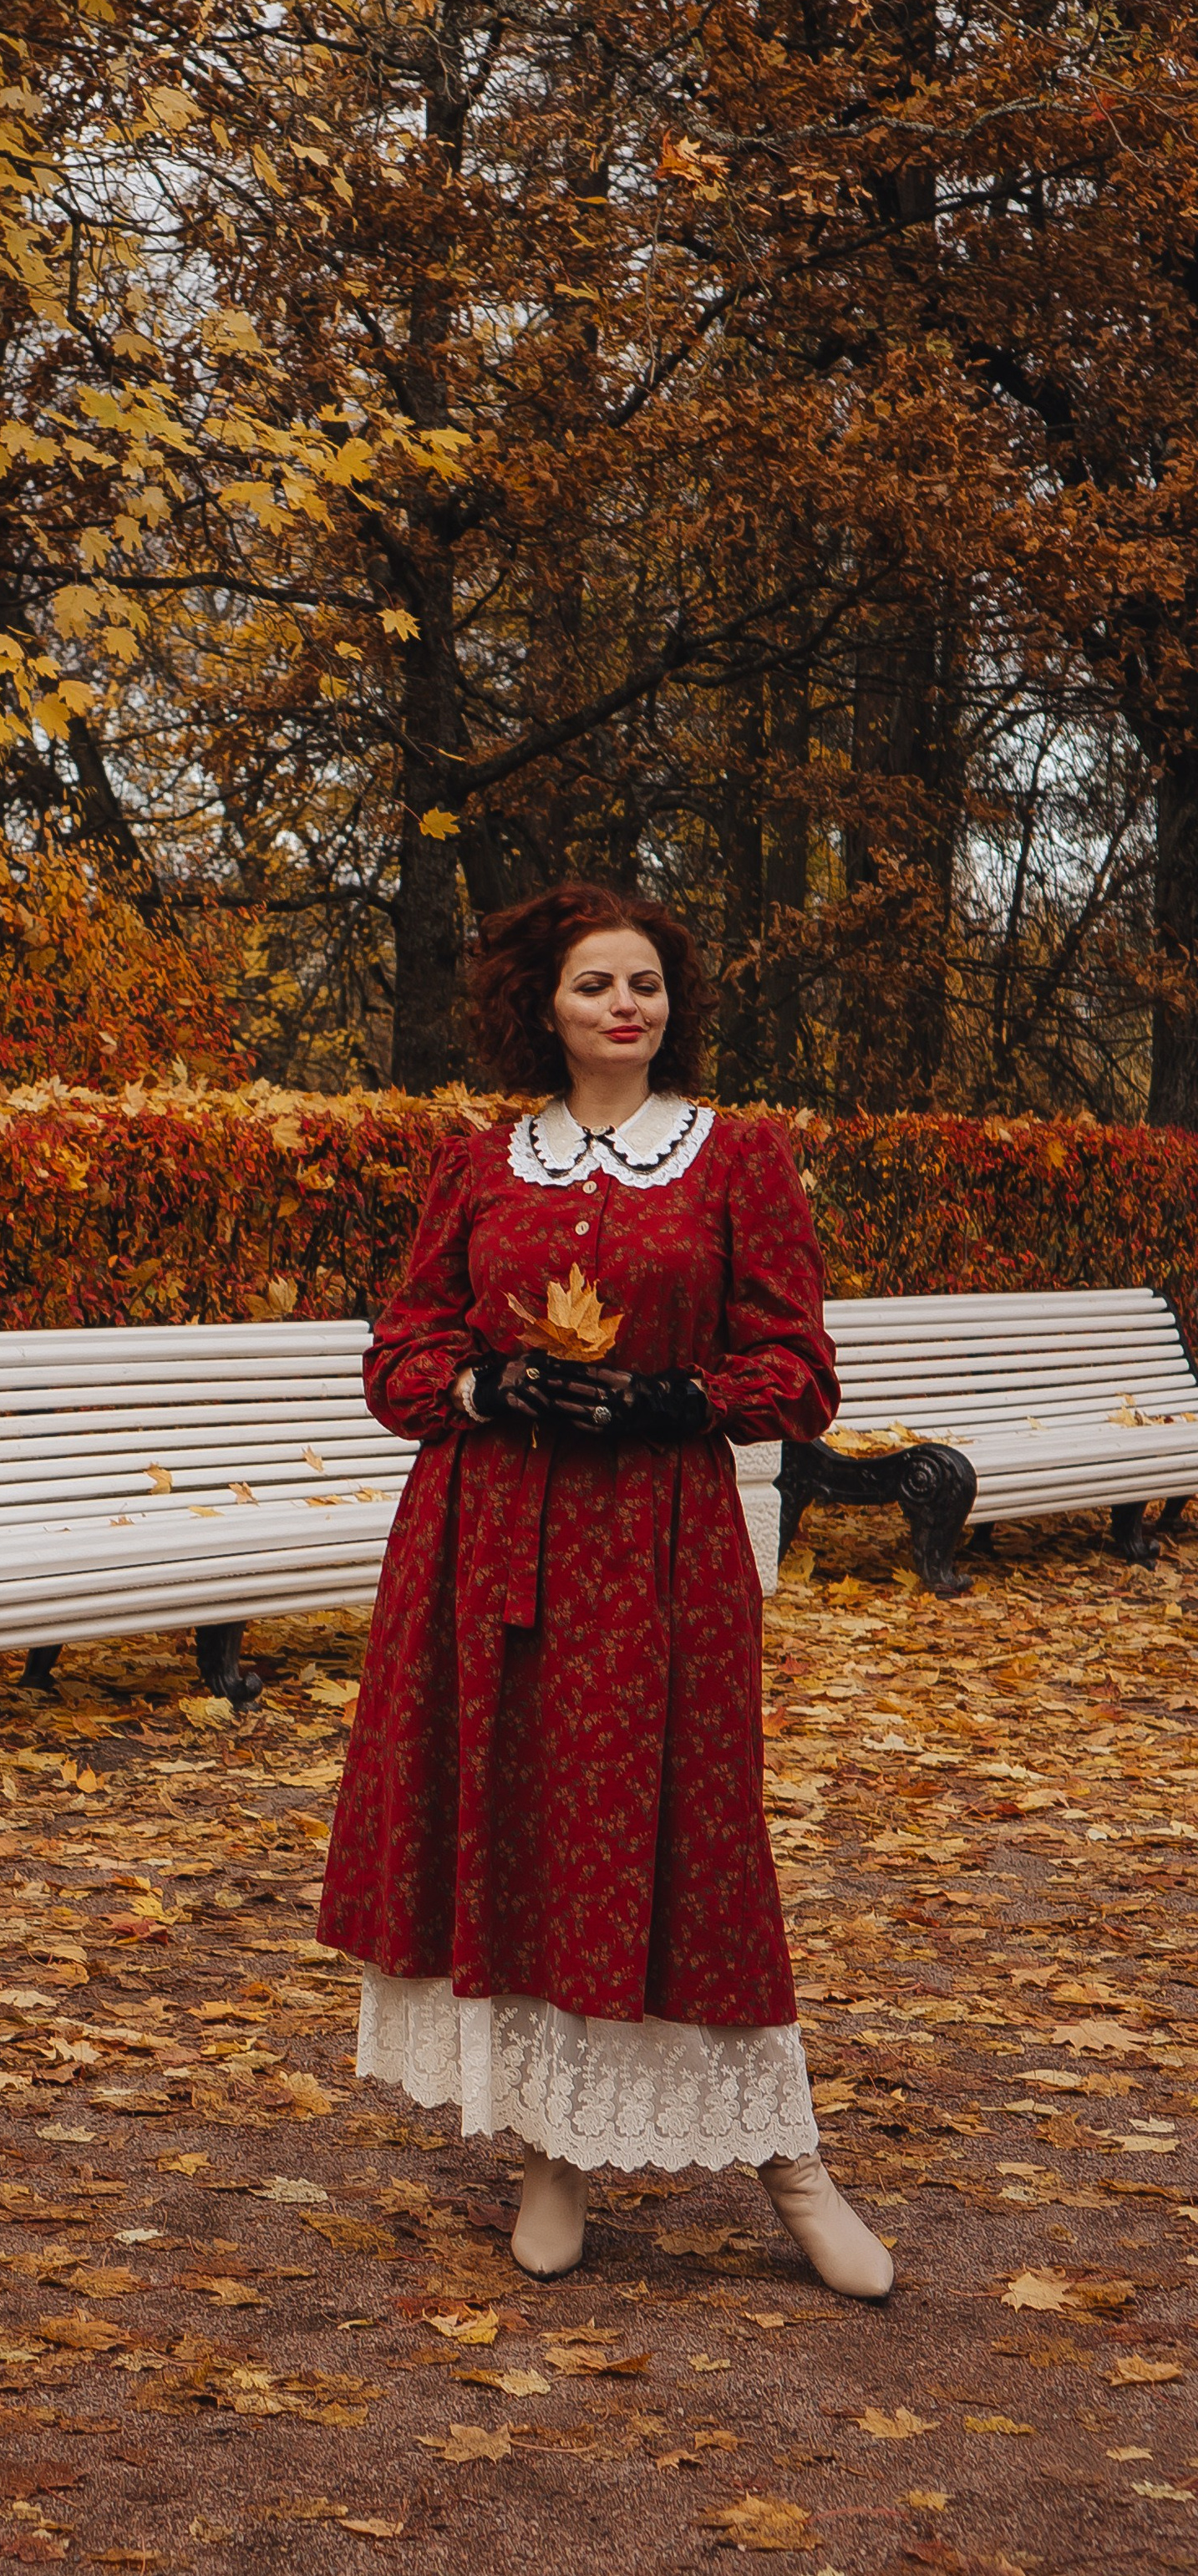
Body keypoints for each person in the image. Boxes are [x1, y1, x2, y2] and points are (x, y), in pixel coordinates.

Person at [316, 882, 893, 2299]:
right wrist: (480, 1380)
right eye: (595, 985)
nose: (625, 1006)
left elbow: (803, 1370)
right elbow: (399, 1358)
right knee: (521, 1831)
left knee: (692, 1840)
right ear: (548, 1006)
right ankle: (552, 2156)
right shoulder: (480, 1164)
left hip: (660, 1544)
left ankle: (794, 2165)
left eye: (645, 984)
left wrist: (670, 1402)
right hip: (490, 1535)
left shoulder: (733, 1160)